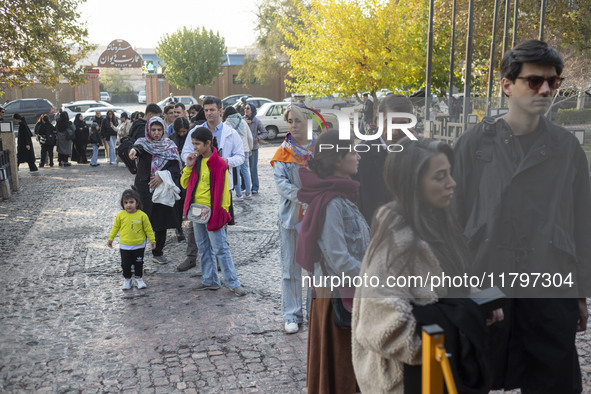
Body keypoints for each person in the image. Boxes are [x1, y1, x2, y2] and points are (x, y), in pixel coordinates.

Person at [452, 39, 591, 394]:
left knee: (555, 379)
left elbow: (581, 221)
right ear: (507, 85)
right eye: (534, 81)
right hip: (487, 281)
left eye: (554, 82)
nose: (545, 89)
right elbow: (453, 218)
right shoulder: (474, 145)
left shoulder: (567, 147)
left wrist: (580, 291)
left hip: (550, 284)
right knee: (476, 374)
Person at [352, 138, 499, 393]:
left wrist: (480, 304)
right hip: (409, 381)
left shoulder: (436, 224)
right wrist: (455, 333)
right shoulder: (396, 242)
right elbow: (379, 328)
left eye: (450, 174)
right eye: (440, 177)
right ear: (413, 183)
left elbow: (447, 283)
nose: (451, 183)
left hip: (439, 375)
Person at [295, 130, 369, 394]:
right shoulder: (331, 203)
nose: (358, 156)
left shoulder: (342, 196)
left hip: (349, 294)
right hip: (339, 298)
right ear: (338, 159)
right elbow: (338, 259)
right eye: (352, 151)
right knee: (343, 377)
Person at [179, 96, 244, 271]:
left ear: (220, 111)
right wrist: (190, 160)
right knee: (196, 225)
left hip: (222, 186)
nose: (209, 113)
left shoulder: (230, 133)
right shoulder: (197, 131)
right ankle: (191, 257)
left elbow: (241, 156)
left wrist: (225, 161)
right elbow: (185, 152)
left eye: (212, 110)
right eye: (206, 110)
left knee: (220, 223)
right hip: (200, 186)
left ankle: (219, 261)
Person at [181, 127, 246, 297]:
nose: (194, 147)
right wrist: (188, 166)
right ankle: (210, 280)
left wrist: (222, 211)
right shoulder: (196, 161)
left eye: (197, 144)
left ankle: (233, 283)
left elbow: (224, 191)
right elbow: (184, 183)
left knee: (221, 248)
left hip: (213, 210)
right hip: (197, 210)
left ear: (208, 143)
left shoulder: (219, 163)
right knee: (203, 247)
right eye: (193, 143)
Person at [271, 104, 316, 334]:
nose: (293, 125)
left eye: (298, 120)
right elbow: (281, 184)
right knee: (290, 267)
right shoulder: (283, 151)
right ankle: (292, 314)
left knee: (317, 267)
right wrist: (303, 197)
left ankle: (315, 313)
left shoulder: (321, 148)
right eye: (290, 121)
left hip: (318, 216)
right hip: (291, 217)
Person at [353, 94, 416, 224]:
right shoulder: (361, 156)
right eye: (390, 122)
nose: (395, 131)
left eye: (403, 124)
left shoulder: (420, 155)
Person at [128, 117, 182, 265]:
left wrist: (162, 176)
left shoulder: (169, 146)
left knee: (161, 221)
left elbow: (176, 169)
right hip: (144, 189)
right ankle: (136, 254)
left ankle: (158, 252)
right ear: (148, 130)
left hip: (162, 189)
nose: (156, 133)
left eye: (159, 130)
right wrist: (133, 151)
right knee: (141, 221)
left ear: (164, 130)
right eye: (153, 130)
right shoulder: (142, 143)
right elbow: (137, 149)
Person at [108, 189, 156, 290]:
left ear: (137, 202)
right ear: (122, 204)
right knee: (125, 264)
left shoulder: (142, 215)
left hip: (139, 245)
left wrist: (152, 240)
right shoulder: (121, 215)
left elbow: (148, 229)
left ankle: (139, 279)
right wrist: (110, 239)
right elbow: (115, 227)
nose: (128, 205)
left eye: (131, 202)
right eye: (125, 203)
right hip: (125, 245)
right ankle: (127, 280)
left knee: (139, 263)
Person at [223, 106, 253, 201]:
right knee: (245, 171)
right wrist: (250, 148)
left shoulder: (227, 123)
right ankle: (248, 193)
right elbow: (250, 137)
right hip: (245, 149)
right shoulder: (243, 121)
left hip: (235, 152)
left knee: (236, 172)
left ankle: (239, 194)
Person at [171, 116, 191, 243]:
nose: (183, 134)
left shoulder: (191, 138)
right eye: (180, 132)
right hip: (177, 174)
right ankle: (178, 228)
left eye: (185, 131)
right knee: (177, 202)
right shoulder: (171, 139)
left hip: (189, 173)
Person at [244, 103, 267, 194]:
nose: (246, 110)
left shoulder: (256, 121)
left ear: (252, 110)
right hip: (244, 148)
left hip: (253, 148)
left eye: (248, 108)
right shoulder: (241, 120)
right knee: (243, 169)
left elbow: (265, 132)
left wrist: (257, 138)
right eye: (245, 108)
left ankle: (255, 187)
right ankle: (244, 186)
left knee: (253, 168)